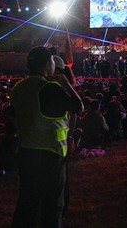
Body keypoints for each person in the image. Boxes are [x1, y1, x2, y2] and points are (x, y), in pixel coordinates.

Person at [10, 46, 83, 227]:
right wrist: (66, 84)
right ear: (46, 64)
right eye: (52, 60)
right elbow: (78, 107)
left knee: (27, 201)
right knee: (52, 205)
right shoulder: (48, 87)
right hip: (50, 153)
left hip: (26, 151)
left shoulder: (19, 87)